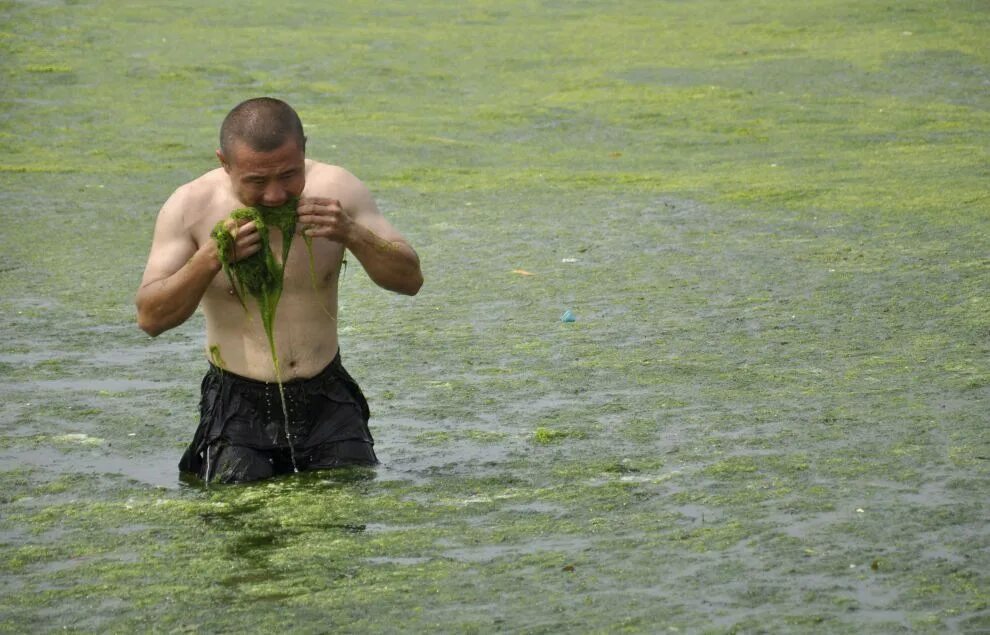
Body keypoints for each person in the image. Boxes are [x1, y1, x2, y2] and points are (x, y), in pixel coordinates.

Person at [135, 97, 423, 483]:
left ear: (304, 149)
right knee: (242, 528)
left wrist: (352, 234)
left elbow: (410, 280)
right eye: (256, 181)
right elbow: (150, 317)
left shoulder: (339, 190)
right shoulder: (190, 206)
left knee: (346, 525)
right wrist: (211, 257)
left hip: (328, 401)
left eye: (289, 176)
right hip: (237, 407)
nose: (274, 195)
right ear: (225, 163)